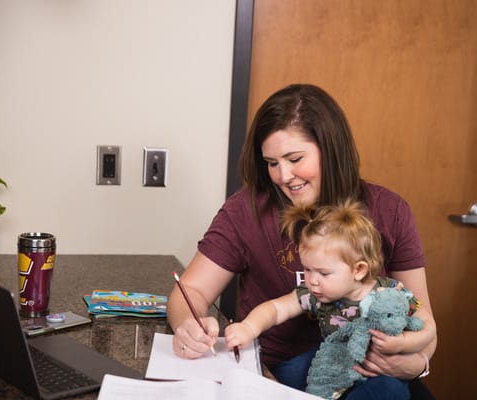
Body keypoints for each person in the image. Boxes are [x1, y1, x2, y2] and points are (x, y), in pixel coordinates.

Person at [167, 83, 437, 396]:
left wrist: (417, 364)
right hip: (282, 374)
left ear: (331, 149)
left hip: (376, 372)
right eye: (271, 163)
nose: (283, 176)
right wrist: (188, 324)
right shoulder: (247, 210)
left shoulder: (391, 211)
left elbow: (425, 321)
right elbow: (191, 290)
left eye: (295, 159)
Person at [224, 199, 436, 400]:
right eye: (307, 269)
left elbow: (427, 326)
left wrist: (402, 343)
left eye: (323, 273)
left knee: (389, 390)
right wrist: (249, 328)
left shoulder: (390, 292)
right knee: (290, 372)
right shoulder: (315, 294)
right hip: (335, 358)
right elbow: (277, 309)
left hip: (378, 369)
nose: (312, 281)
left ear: (359, 270)